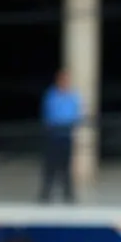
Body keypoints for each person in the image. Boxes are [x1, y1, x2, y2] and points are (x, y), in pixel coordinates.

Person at [39, 69, 82, 203]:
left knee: (65, 167)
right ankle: (46, 193)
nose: (64, 82)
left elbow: (75, 114)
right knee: (50, 166)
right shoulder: (51, 95)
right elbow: (48, 113)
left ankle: (68, 194)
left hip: (66, 135)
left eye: (66, 80)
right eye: (62, 80)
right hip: (53, 135)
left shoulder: (73, 96)